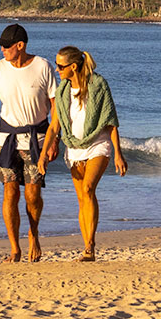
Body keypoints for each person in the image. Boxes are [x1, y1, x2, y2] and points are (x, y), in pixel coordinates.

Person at [36, 45, 127, 261]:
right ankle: (87, 247)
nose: (57, 70)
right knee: (82, 198)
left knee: (87, 189)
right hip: (74, 147)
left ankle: (90, 245)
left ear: (73, 66)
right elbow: (55, 125)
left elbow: (111, 121)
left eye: (60, 66)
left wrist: (118, 154)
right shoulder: (62, 91)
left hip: (98, 144)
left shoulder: (98, 85)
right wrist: (43, 154)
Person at [0, 23, 55, 262]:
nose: (2, 50)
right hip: (7, 139)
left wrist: (54, 140)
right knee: (10, 193)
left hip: (36, 139)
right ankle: (14, 248)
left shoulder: (43, 66)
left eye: (6, 46)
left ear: (20, 46)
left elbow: (57, 108)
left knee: (32, 194)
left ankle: (33, 234)